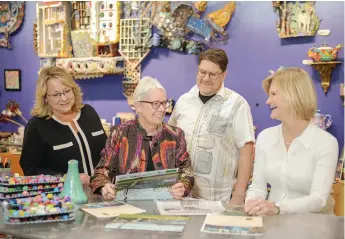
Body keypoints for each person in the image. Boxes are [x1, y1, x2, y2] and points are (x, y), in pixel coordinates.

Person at [244, 67, 339, 216]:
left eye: (273, 94)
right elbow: (257, 187)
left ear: (293, 95)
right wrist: (252, 204)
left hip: (314, 228)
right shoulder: (265, 137)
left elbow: (318, 199)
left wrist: (277, 208)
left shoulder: (326, 143)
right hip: (274, 225)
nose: (268, 101)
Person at [168, 48, 255, 204]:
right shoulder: (183, 101)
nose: (206, 78)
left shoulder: (237, 104)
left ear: (224, 75)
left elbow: (246, 151)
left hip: (219, 198)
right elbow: (168, 141)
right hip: (181, 195)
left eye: (213, 74)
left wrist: (239, 194)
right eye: (202, 72)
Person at [90, 76, 194, 200]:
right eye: (155, 104)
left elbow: (186, 172)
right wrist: (104, 186)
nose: (162, 109)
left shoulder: (175, 135)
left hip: (166, 209)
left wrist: (182, 186)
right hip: (127, 211)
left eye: (164, 103)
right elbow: (102, 170)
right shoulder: (120, 133)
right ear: (138, 106)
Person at [20, 66, 107, 186]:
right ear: (45, 97)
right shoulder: (37, 126)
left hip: (102, 192)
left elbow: (108, 152)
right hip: (63, 197)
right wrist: (66, 177)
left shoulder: (89, 113)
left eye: (67, 91)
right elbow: (30, 170)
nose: (64, 98)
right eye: (56, 95)